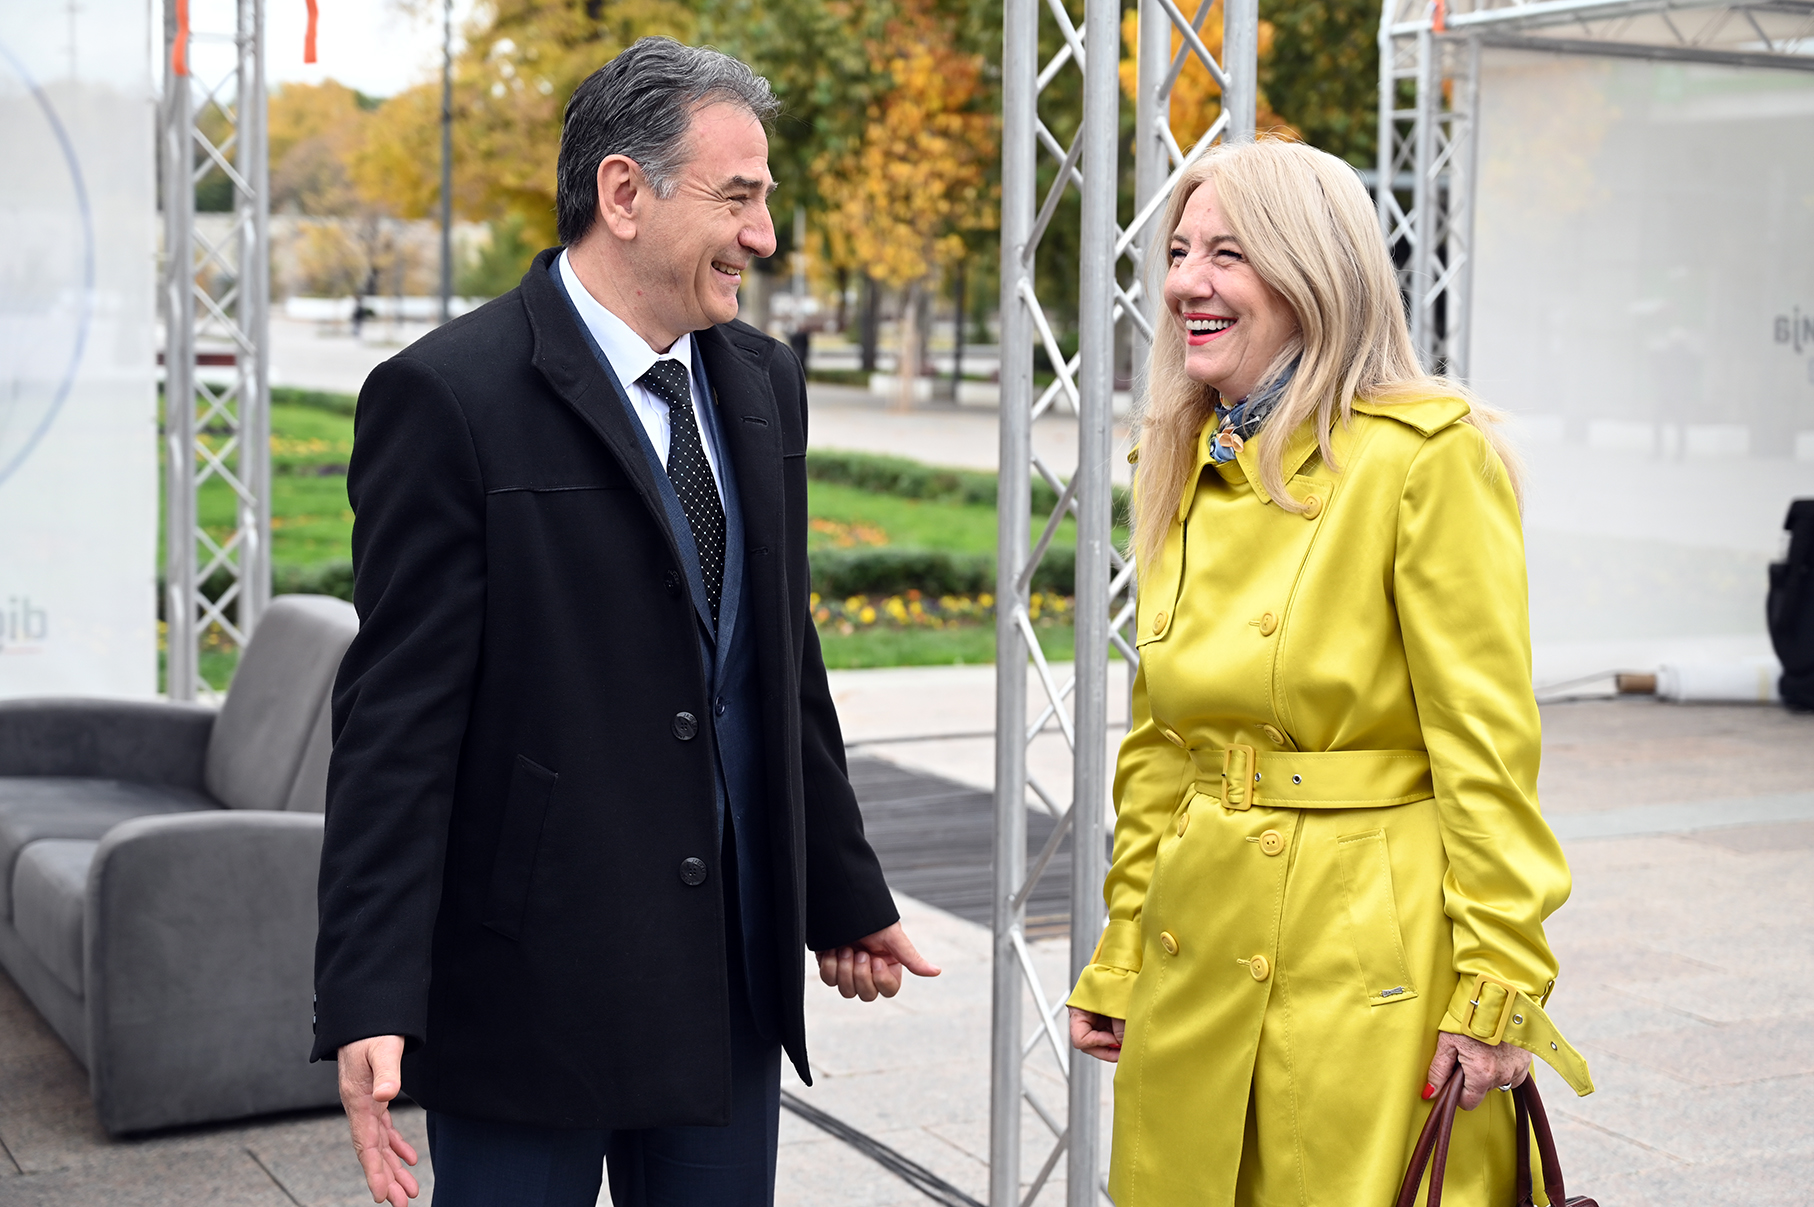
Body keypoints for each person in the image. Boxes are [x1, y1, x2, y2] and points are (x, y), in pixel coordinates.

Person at [311, 37, 937, 1207]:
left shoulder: (763, 382)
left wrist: (839, 892)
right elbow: (396, 725)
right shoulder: (446, 396)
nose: (762, 235)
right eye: (736, 198)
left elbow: (777, 662)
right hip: (528, 995)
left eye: (763, 199)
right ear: (622, 193)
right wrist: (368, 992)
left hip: (725, 987)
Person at [1064, 138, 1595, 1205]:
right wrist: (1121, 950)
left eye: (1227, 254)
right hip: (1196, 940)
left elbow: (1485, 751)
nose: (1186, 283)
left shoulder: (1424, 456)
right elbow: (1163, 749)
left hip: (1363, 959)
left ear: (1312, 274)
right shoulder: (1182, 458)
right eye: (1178, 253)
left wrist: (1497, 984)